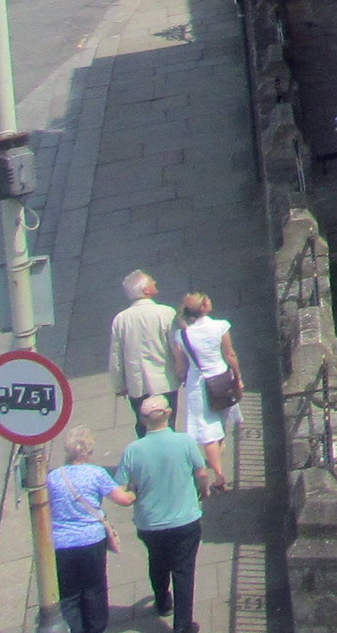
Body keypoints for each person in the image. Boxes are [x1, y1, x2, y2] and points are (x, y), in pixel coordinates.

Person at [111, 396, 206, 633]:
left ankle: (163, 601)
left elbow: (118, 488)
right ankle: (183, 626)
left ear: (142, 420)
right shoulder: (185, 441)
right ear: (170, 413)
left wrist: (134, 493)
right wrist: (202, 491)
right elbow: (201, 473)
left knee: (158, 562)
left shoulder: (133, 450)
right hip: (185, 519)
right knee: (184, 571)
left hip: (150, 524)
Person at [46, 428, 133, 633]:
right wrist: (135, 492)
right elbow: (123, 499)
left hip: (62, 544)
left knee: (68, 596)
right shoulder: (96, 474)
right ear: (89, 451)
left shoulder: (54, 477)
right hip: (91, 541)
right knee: (94, 590)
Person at [174, 292, 241, 493]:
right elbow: (230, 354)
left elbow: (181, 365)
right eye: (207, 300)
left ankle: (218, 473)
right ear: (203, 307)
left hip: (198, 384)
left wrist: (180, 380)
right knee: (218, 424)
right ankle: (219, 472)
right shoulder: (221, 326)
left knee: (207, 429)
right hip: (221, 378)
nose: (211, 301)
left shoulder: (181, 335)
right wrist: (238, 377)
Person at [107, 271, 181, 429]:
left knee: (143, 427)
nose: (155, 281)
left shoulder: (121, 320)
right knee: (168, 425)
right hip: (165, 382)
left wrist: (118, 385)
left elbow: (116, 357)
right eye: (151, 281)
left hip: (137, 385)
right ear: (146, 291)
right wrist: (182, 371)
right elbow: (176, 346)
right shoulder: (166, 313)